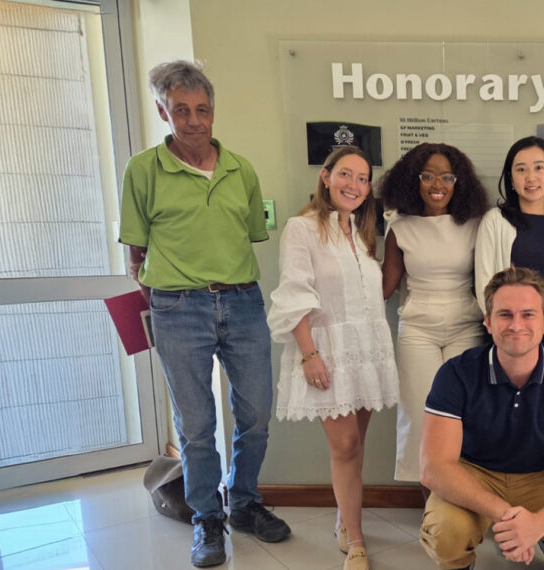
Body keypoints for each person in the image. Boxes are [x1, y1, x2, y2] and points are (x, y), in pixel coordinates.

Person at [118, 60, 290, 568]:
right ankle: (205, 518)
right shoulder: (142, 170)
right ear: (162, 112)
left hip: (242, 301)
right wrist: (170, 292)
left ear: (213, 112)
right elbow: (136, 256)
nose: (193, 120)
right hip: (178, 306)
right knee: (196, 425)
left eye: (202, 110)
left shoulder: (242, 169)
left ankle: (243, 503)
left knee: (256, 414)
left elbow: (249, 236)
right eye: (181, 110)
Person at [419, 266, 544, 570]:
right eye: (505, 314)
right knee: (446, 535)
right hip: (475, 472)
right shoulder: (456, 374)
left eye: (528, 314)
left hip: (541, 474)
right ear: (488, 322)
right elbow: (434, 468)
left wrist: (538, 525)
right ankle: (461, 562)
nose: (516, 325)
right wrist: (508, 516)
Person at [266, 146, 399, 570]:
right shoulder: (302, 228)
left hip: (365, 351)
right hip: (326, 351)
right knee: (343, 445)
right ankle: (356, 542)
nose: (354, 186)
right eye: (346, 175)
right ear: (326, 177)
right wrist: (309, 354)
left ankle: (345, 519)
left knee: (356, 445)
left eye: (362, 179)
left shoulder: (361, 230)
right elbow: (294, 294)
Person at [380, 142, 489, 487]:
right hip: (417, 330)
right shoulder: (399, 226)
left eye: (446, 177)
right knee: (420, 415)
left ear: (460, 182)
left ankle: (464, 496)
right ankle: (431, 502)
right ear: (414, 180)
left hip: (465, 327)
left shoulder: (475, 224)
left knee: (464, 415)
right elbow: (385, 288)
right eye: (427, 176)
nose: (437, 184)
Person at [475, 136, 544, 353]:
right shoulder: (495, 220)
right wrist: (503, 328)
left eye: (539, 168)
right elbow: (484, 282)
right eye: (521, 170)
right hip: (505, 334)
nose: (531, 177)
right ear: (511, 180)